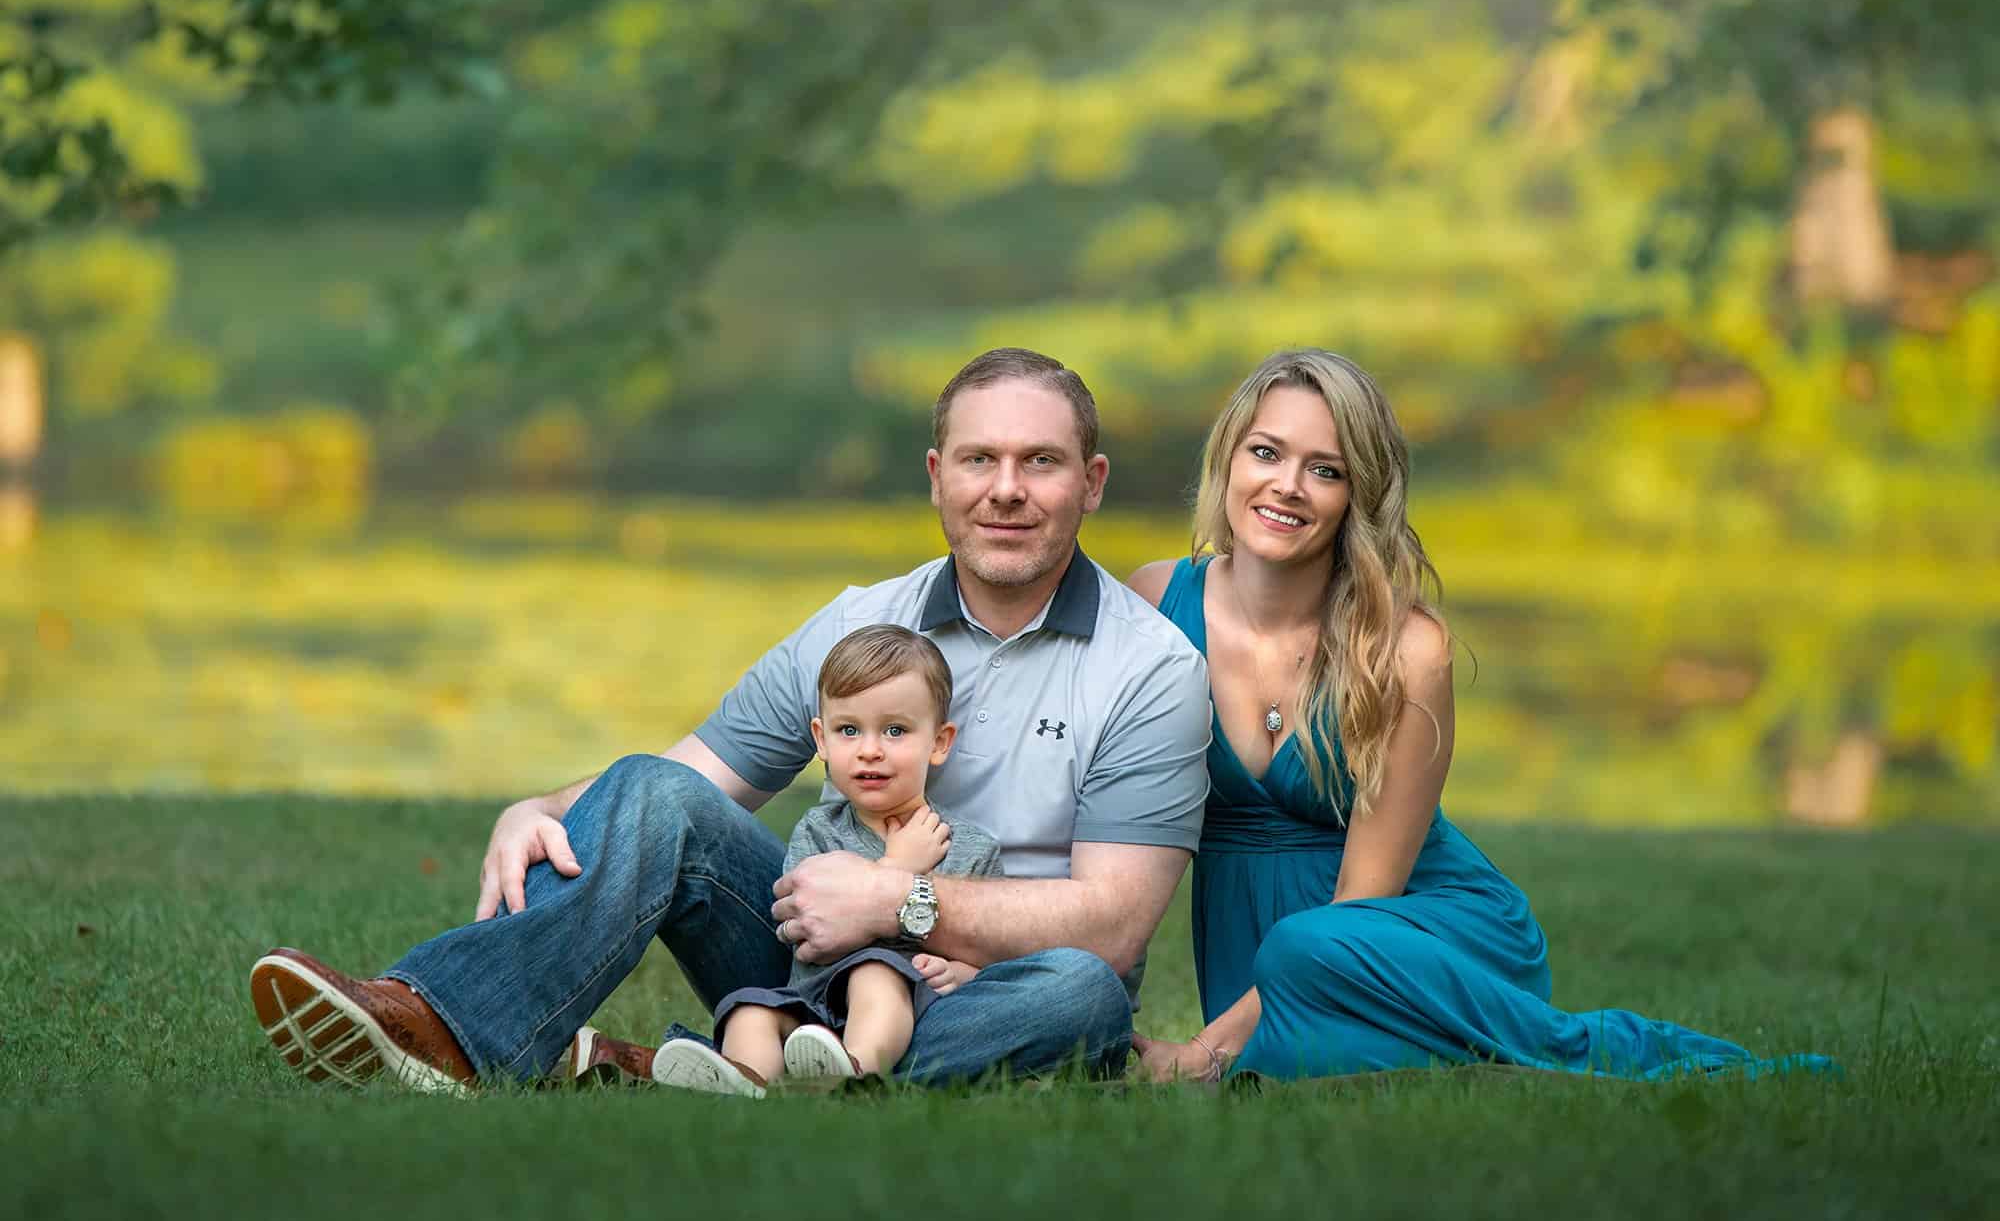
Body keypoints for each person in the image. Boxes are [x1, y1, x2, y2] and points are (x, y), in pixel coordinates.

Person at [249, 347, 1210, 1089]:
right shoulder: (858, 620)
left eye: (1040, 461)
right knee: (650, 792)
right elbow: (684, 787)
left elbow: (1114, 927)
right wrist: (542, 805)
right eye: (979, 459)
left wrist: (898, 905)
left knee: (1082, 993)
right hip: (809, 963)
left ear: (1091, 482)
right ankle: (444, 1028)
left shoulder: (1151, 668)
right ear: (935, 475)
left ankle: (729, 1069)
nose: (1006, 488)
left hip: (992, 994)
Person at [1127, 348, 1833, 1083]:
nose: (1288, 486)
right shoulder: (1155, 605)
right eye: (1266, 452)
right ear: (1229, 457)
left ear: (1357, 495)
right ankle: (1459, 1056)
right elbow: (1117, 823)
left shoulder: (1405, 649)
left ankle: (1596, 1051)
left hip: (1411, 931)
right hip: (1262, 942)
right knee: (1300, 1064)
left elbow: (1365, 898)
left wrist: (1200, 1050)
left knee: (1300, 956)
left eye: (1326, 469)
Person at [650, 624, 1004, 1095]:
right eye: (848, 730)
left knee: (876, 973)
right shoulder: (818, 832)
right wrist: (895, 870)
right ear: (821, 739)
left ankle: (853, 1074)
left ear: (939, 742)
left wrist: (967, 973)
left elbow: (996, 952)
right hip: (812, 1002)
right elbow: (805, 938)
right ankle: (747, 1082)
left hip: (915, 1009)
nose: (870, 749)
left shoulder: (971, 848)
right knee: (748, 1010)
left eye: (895, 730)